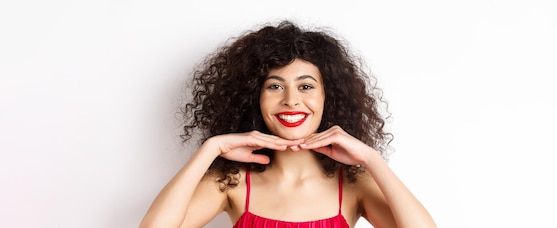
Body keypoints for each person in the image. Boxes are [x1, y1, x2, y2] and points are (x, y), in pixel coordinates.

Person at [139, 20, 436, 228]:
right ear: (254, 96)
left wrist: (372, 159)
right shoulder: (231, 181)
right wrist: (211, 148)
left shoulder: (355, 183)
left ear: (327, 97)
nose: (291, 101)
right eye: (275, 86)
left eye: (305, 87)